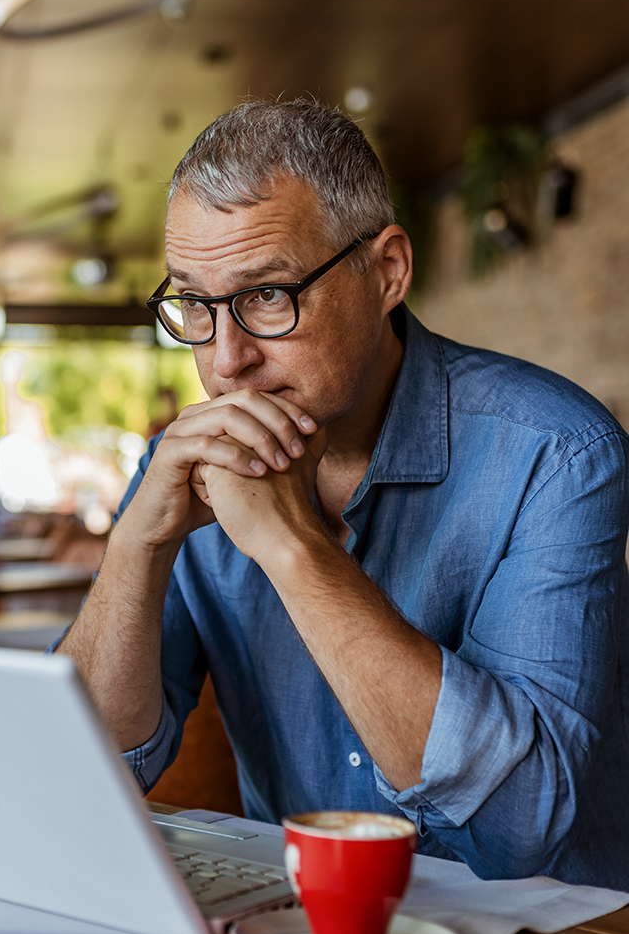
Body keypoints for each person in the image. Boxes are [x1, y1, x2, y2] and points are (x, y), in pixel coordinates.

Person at [56, 99, 629, 889]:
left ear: (387, 271)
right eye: (194, 303)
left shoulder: (556, 452)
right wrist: (135, 548)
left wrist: (292, 549)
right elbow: (81, 775)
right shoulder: (183, 467)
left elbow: (521, 823)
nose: (225, 362)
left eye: (265, 296)